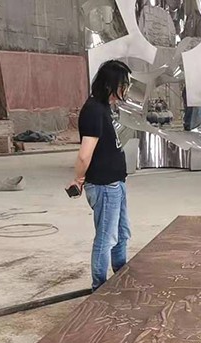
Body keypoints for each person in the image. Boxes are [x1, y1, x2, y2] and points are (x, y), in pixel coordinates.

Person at [66, 60, 132, 292]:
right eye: (122, 85)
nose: (125, 90)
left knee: (121, 234)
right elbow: (85, 155)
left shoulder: (103, 107)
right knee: (106, 237)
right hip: (104, 186)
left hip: (116, 183)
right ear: (108, 85)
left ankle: (121, 274)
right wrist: (78, 179)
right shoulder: (93, 110)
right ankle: (99, 287)